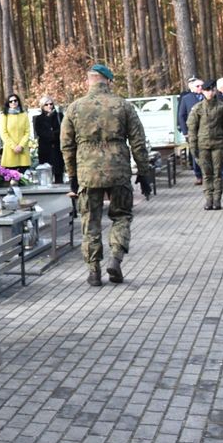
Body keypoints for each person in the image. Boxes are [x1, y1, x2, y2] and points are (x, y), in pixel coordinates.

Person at [61, 64, 154, 286]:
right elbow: (138, 143)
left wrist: (72, 175)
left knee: (90, 221)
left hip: (87, 172)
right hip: (118, 170)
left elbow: (66, 145)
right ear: (109, 81)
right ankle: (116, 258)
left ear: (89, 82)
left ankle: (94, 271)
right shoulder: (123, 106)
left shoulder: (74, 108)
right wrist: (143, 173)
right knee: (121, 216)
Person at [186, 81, 223, 210]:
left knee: (218, 173)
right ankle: (208, 199)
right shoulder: (198, 108)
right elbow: (192, 129)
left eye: (212, 90)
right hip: (203, 145)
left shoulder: (222, 107)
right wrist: (193, 146)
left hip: (218, 144)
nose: (210, 93)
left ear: (215, 91)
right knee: (206, 174)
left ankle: (217, 199)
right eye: (207, 90)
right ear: (203, 92)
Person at [177, 77, 205, 185]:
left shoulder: (207, 96)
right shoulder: (186, 98)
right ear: (192, 88)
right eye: (197, 86)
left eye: (201, 86)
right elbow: (181, 115)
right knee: (195, 153)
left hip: (206, 131)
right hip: (193, 131)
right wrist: (185, 131)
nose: (200, 88)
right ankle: (198, 175)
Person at [32, 95, 64, 183]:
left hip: (57, 149)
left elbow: (62, 130)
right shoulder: (39, 118)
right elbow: (40, 132)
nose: (49, 106)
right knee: (45, 173)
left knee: (58, 172)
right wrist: (52, 134)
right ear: (42, 106)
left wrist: (53, 134)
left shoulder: (59, 116)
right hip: (45, 149)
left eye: (51, 104)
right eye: (46, 104)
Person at [0, 93, 31, 173]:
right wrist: (14, 146)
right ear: (8, 103)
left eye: (15, 100)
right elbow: (3, 133)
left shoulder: (24, 115)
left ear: (18, 102)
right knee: (10, 177)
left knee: (23, 178)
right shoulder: (5, 116)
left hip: (22, 152)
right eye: (11, 101)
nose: (13, 103)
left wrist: (21, 145)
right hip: (10, 151)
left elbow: (27, 131)